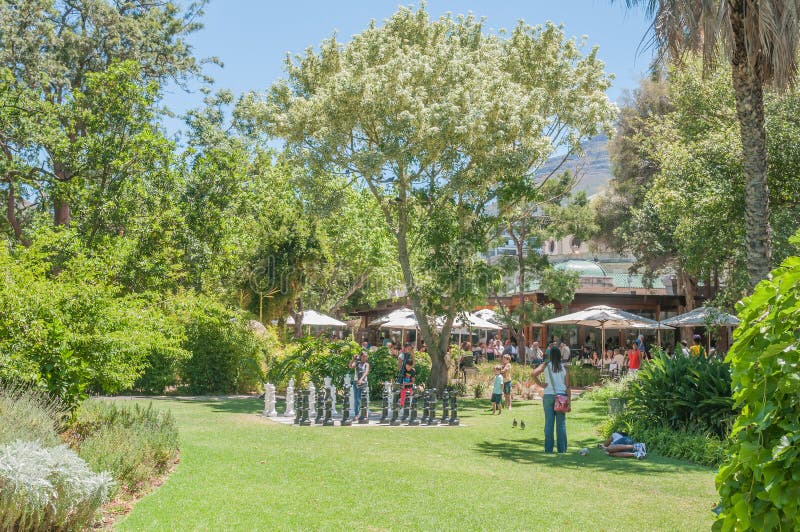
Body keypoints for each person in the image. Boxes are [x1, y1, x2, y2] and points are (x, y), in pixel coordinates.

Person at [532, 346, 569, 453]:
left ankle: (548, 449)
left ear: (550, 356)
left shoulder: (545, 365)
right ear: (560, 355)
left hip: (548, 395)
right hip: (561, 396)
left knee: (549, 423)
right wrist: (569, 401)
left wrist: (541, 384)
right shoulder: (564, 368)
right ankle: (561, 449)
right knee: (561, 423)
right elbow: (567, 386)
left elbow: (533, 374)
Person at [349, 351, 370, 417]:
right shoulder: (356, 363)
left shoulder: (366, 364)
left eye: (366, 356)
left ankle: (364, 412)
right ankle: (357, 414)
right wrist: (353, 359)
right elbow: (350, 366)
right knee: (356, 399)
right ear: (360, 357)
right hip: (356, 382)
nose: (365, 358)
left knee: (363, 398)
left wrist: (361, 379)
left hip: (363, 382)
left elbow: (366, 373)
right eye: (363, 356)